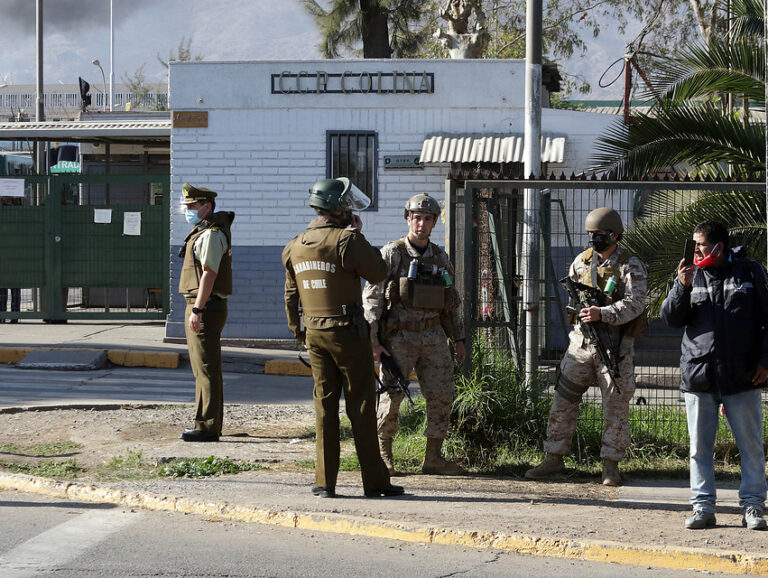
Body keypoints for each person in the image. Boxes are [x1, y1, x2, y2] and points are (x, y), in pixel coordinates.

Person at [282, 177, 404, 499]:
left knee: (324, 408)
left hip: (315, 334)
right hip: (347, 334)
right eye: (346, 204)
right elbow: (378, 271)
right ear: (337, 208)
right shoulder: (346, 241)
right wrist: (358, 233)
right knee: (361, 406)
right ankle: (375, 482)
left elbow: (290, 295)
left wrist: (299, 332)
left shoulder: (295, 244)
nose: (350, 208)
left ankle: (325, 482)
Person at [526, 207, 647, 486]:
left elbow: (636, 303)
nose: (594, 239)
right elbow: (573, 300)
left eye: (600, 234)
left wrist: (602, 314)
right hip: (581, 345)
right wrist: (581, 315)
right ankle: (554, 458)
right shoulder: (581, 262)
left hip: (615, 347)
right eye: (591, 234)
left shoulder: (631, 265)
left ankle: (610, 465)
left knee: (616, 406)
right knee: (563, 401)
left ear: (614, 235)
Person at [660, 221, 768, 531]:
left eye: (701, 245)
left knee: (750, 446)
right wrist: (681, 286)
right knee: (699, 448)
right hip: (699, 376)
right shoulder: (689, 274)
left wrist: (765, 361)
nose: (695, 250)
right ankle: (703, 507)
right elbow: (670, 318)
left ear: (719, 246)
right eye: (694, 244)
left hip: (743, 376)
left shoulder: (749, 272)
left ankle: (753, 507)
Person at [363, 193, 466, 476]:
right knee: (392, 395)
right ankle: (383, 457)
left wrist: (458, 339)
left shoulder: (440, 256)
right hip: (399, 338)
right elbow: (372, 297)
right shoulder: (392, 253)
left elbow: (450, 303)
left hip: (433, 336)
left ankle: (433, 458)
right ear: (408, 218)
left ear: (434, 223)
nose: (421, 224)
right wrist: (373, 340)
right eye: (417, 218)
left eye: (428, 219)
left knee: (441, 395)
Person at [178, 183, 235, 442]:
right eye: (187, 206)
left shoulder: (211, 234)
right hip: (202, 306)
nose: (188, 211)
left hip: (206, 307)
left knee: (207, 369)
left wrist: (198, 309)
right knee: (203, 368)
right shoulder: (203, 231)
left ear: (207, 207)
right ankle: (204, 423)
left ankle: (208, 427)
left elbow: (209, 274)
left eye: (192, 206)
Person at [1, 197, 21, 324]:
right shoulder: (19, 214)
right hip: (14, 255)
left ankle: (3, 313)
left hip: (6, 254)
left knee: (4, 286)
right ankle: (14, 314)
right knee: (13, 286)